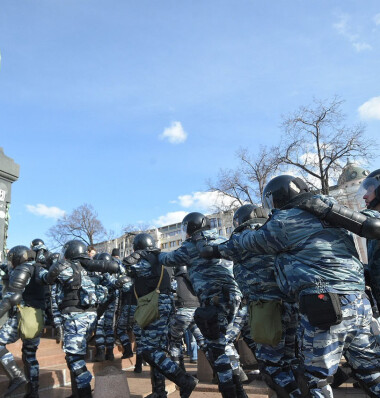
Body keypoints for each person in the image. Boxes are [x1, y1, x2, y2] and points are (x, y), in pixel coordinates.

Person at [237, 175, 380, 397]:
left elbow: (249, 242)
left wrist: (240, 231)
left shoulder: (285, 221)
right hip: (360, 302)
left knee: (316, 380)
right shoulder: (331, 210)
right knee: (371, 372)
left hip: (325, 306)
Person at [200, 204, 302, 397]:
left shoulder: (244, 238)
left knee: (273, 367)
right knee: (292, 360)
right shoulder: (276, 231)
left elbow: (217, 250)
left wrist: (206, 246)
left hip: (266, 308)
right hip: (293, 305)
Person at [159, 212, 247, 398]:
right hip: (236, 298)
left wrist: (152, 253)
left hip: (215, 299)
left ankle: (230, 392)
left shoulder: (191, 246)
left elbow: (167, 260)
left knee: (216, 348)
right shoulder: (222, 239)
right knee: (225, 344)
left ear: (190, 228)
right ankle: (240, 389)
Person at [39, 239, 119, 398]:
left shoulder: (67, 268)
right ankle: (78, 392)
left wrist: (39, 265)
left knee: (75, 359)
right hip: (91, 316)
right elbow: (114, 283)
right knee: (75, 356)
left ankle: (84, 393)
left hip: (75, 317)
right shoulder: (94, 269)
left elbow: (46, 279)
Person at [123, 233, 197, 398]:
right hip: (160, 307)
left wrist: (138, 255)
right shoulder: (161, 259)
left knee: (149, 351)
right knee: (155, 351)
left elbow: (125, 266)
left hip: (154, 307)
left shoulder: (146, 261)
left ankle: (184, 380)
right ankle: (159, 391)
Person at [0, 245, 45, 398]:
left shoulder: (22, 269)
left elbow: (12, 297)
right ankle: (34, 392)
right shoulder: (39, 269)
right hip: (37, 317)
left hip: (22, 315)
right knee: (30, 355)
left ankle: (16, 375)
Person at [168, 265, 205, 371]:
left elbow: (171, 292)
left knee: (174, 341)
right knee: (202, 341)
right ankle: (215, 368)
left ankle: (179, 372)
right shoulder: (195, 277)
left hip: (183, 312)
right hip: (197, 312)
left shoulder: (178, 280)